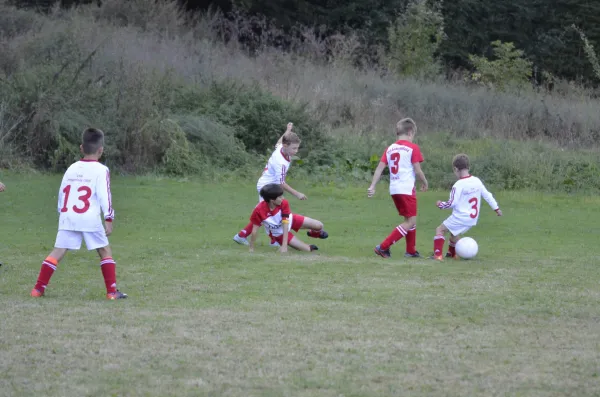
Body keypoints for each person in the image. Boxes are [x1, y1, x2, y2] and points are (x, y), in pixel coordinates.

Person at [30, 128, 127, 299]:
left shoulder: (71, 168)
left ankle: (37, 289)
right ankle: (112, 292)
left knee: (58, 251)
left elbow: (62, 192)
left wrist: (62, 212)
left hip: (68, 215)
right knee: (104, 250)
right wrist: (109, 218)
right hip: (89, 217)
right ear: (101, 150)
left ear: (81, 148)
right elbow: (106, 195)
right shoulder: (101, 170)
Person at [233, 122, 307, 247]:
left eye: (297, 148)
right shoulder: (281, 162)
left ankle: (247, 236)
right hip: (267, 187)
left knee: (269, 213)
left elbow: (278, 143)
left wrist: (287, 131)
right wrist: (297, 194)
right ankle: (246, 236)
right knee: (266, 213)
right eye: (294, 148)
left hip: (268, 184)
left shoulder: (281, 149)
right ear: (286, 146)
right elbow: (281, 183)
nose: (296, 151)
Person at [367, 118, 428, 258]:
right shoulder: (413, 148)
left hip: (394, 189)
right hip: (406, 189)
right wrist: (425, 182)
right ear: (410, 132)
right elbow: (418, 170)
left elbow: (379, 168)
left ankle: (411, 251)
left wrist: (373, 186)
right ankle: (383, 247)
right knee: (410, 221)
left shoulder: (390, 148)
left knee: (409, 218)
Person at [430, 153, 502, 261]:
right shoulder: (476, 181)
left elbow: (452, 203)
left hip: (461, 216)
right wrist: (496, 208)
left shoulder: (458, 185)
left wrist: (441, 204)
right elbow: (487, 195)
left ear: (455, 169)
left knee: (440, 230)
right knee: (454, 233)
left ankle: (438, 255)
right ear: (468, 167)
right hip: (472, 218)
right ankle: (452, 253)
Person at [248, 184, 328, 253]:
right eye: (280, 196)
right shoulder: (258, 210)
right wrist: (251, 248)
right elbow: (254, 230)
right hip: (279, 233)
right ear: (272, 200)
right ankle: (306, 247)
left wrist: (284, 245)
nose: (282, 198)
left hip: (291, 220)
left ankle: (313, 233)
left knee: (319, 225)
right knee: (308, 250)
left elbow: (285, 223)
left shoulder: (283, 202)